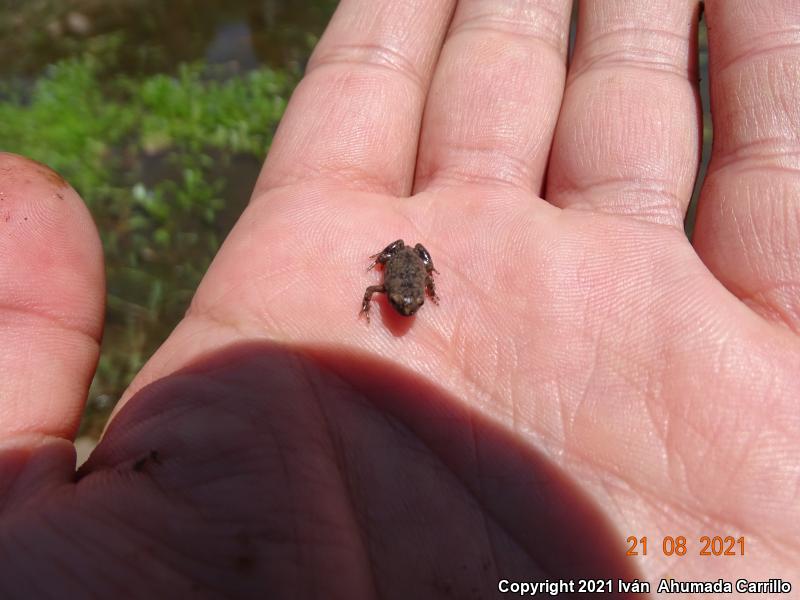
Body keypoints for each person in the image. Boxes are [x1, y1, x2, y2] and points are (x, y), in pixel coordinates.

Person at [0, 0, 797, 596]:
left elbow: (409, 265)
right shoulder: (395, 275)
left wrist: (406, 286)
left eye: (403, 297)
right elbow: (395, 268)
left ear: (406, 291)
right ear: (399, 290)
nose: (403, 300)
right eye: (402, 297)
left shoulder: (407, 274)